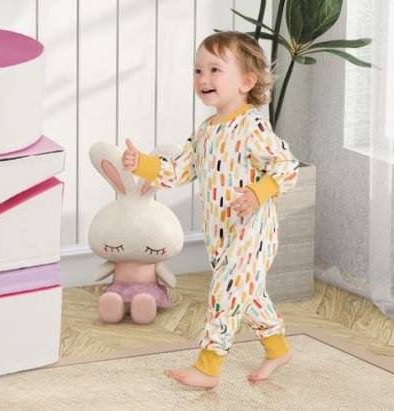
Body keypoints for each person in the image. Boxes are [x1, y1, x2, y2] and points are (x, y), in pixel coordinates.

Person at [122, 31, 300, 389]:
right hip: (220, 234)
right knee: (247, 295)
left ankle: (208, 366)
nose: (203, 78)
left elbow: (287, 166)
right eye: (198, 70)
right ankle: (278, 348)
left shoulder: (252, 126)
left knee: (225, 291)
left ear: (247, 81)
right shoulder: (205, 131)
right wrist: (142, 164)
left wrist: (258, 192)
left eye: (215, 70)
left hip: (253, 231)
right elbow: (179, 170)